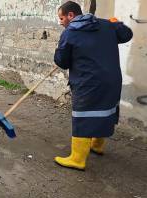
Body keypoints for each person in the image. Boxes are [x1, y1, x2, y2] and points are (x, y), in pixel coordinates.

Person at [53, 1, 133, 170]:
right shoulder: (106, 25)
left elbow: (62, 61)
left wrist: (60, 49)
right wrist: (116, 23)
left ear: (70, 15)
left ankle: (77, 159)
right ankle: (97, 146)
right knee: (106, 111)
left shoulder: (70, 33)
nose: (60, 22)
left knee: (83, 116)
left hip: (87, 83)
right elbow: (127, 35)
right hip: (112, 80)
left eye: (61, 18)